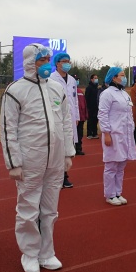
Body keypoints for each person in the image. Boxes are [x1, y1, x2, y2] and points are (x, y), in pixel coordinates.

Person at [0, 44, 75, 272]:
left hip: (54, 159)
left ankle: (46, 252)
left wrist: (68, 153)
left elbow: (65, 121)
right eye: (42, 60)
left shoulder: (56, 88)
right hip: (30, 158)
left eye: (48, 60)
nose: (47, 64)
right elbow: (7, 128)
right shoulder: (16, 90)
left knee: (50, 210)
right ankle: (30, 253)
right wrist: (13, 162)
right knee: (28, 208)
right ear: (31, 62)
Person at [98, 67, 136, 205]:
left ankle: (118, 192)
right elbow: (102, 114)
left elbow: (129, 114)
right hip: (113, 134)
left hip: (125, 134)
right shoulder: (107, 94)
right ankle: (110, 194)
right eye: (122, 75)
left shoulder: (125, 94)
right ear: (114, 78)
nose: (124, 77)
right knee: (111, 165)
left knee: (121, 165)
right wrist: (106, 133)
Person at [50, 53, 79, 188]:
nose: (67, 63)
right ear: (57, 63)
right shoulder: (51, 79)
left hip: (70, 117)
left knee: (68, 145)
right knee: (57, 146)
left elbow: (75, 100)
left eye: (69, 61)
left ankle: (64, 175)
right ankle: (57, 176)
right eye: (64, 61)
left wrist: (77, 116)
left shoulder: (72, 80)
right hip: (56, 116)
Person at [75, 76, 87, 155]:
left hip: (81, 116)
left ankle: (78, 149)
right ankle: (72, 149)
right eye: (76, 80)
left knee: (80, 133)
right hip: (73, 118)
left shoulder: (80, 91)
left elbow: (84, 103)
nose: (77, 81)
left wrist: (85, 114)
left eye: (78, 80)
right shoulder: (68, 91)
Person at [85, 74, 100, 139]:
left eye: (97, 78)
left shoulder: (97, 88)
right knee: (90, 120)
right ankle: (89, 133)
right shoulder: (89, 88)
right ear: (91, 79)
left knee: (95, 120)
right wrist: (88, 107)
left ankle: (95, 133)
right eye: (95, 78)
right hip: (90, 107)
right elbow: (87, 98)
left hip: (96, 107)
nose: (96, 79)